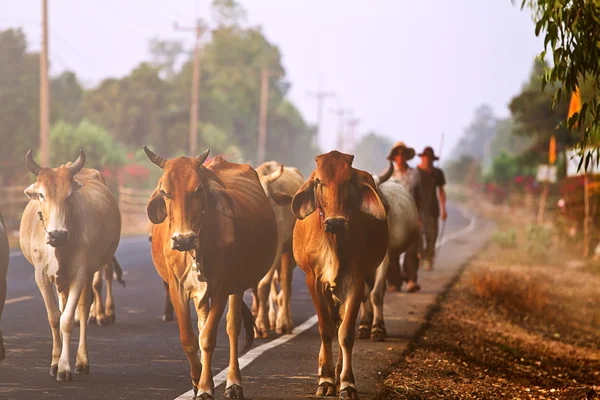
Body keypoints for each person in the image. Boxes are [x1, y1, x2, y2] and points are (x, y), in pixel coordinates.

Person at [384, 141, 421, 293]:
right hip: (395, 215)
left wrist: (420, 217)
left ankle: (412, 279)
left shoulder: (414, 175)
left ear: (407, 157)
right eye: (397, 154)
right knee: (391, 247)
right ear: (393, 157)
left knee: (412, 247)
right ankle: (394, 281)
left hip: (410, 213)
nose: (400, 156)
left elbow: (419, 196)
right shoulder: (387, 174)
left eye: (403, 154)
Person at [416, 146, 447, 270]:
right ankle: (421, 256)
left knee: (432, 236)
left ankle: (429, 258)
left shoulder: (438, 173)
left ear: (433, 160)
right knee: (418, 236)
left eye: (430, 158)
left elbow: (441, 191)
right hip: (419, 209)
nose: (427, 160)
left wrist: (444, 209)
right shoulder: (416, 173)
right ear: (422, 158)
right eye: (425, 158)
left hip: (433, 210)